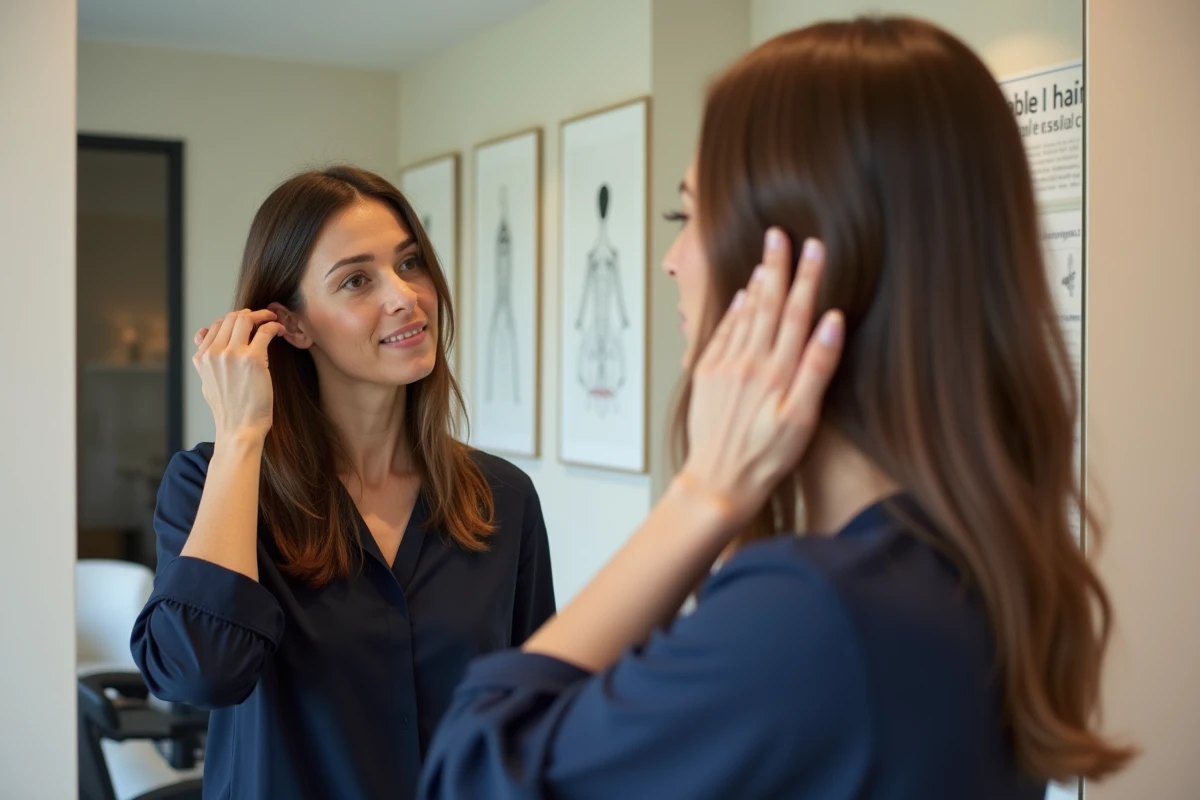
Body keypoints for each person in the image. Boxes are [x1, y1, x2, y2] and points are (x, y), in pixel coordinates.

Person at [418, 16, 1134, 799]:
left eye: (690, 216)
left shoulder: (819, 617)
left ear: (794, 262)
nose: (671, 258)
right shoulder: (967, 571)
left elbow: (474, 770)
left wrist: (702, 497)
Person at [130, 166, 556, 800]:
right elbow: (200, 674)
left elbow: (534, 711)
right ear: (291, 325)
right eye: (357, 280)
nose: (404, 296)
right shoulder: (207, 483)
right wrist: (242, 437)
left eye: (410, 264)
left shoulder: (502, 497)